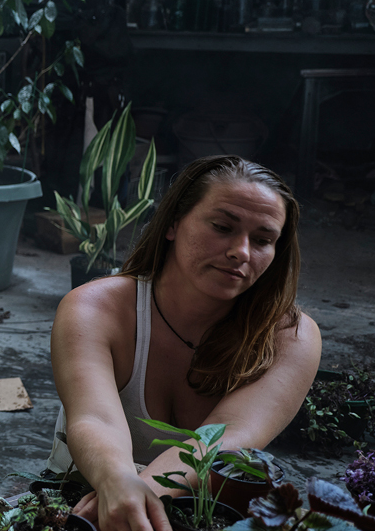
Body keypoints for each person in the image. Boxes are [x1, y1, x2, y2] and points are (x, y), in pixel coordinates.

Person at [49, 155, 321, 531]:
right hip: (80, 504)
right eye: (223, 226)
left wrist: (134, 495)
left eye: (262, 240)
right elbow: (95, 418)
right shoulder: (95, 308)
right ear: (174, 223)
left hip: (203, 516)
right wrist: (117, 480)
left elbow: (227, 436)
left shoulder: (289, 336)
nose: (241, 252)